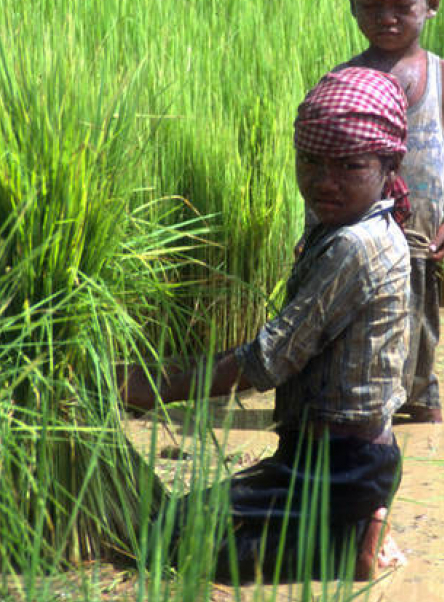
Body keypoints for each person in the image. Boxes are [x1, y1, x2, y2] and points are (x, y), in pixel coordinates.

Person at [121, 67, 412, 583]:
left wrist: (154, 387)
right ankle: (355, 527)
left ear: (389, 164)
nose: (324, 181)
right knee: (182, 527)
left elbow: (269, 359)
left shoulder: (355, 245)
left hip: (342, 465)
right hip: (316, 455)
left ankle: (350, 543)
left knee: (169, 540)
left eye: (349, 165)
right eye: (311, 161)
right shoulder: (341, 219)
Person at [335, 0, 444, 424]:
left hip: (419, 237)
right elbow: (326, 162)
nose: (387, 18)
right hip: (362, 241)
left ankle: (422, 410)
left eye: (402, 6)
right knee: (365, 332)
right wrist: (316, 229)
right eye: (372, 7)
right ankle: (370, 417)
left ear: (432, 2)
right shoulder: (347, 81)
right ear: (351, 3)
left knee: (421, 327)